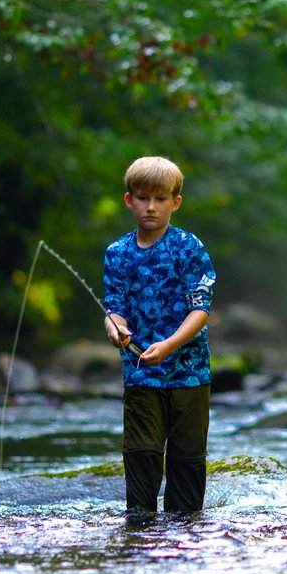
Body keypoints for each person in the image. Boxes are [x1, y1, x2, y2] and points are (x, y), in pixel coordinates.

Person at [102, 155, 218, 522]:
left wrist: (169, 345)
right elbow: (114, 307)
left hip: (190, 372)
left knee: (186, 458)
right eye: (142, 198)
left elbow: (200, 310)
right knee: (141, 452)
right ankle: (140, 531)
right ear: (128, 200)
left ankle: (184, 534)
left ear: (175, 203)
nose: (150, 207)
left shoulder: (188, 247)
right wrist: (114, 328)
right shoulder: (117, 254)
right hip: (140, 373)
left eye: (160, 199)